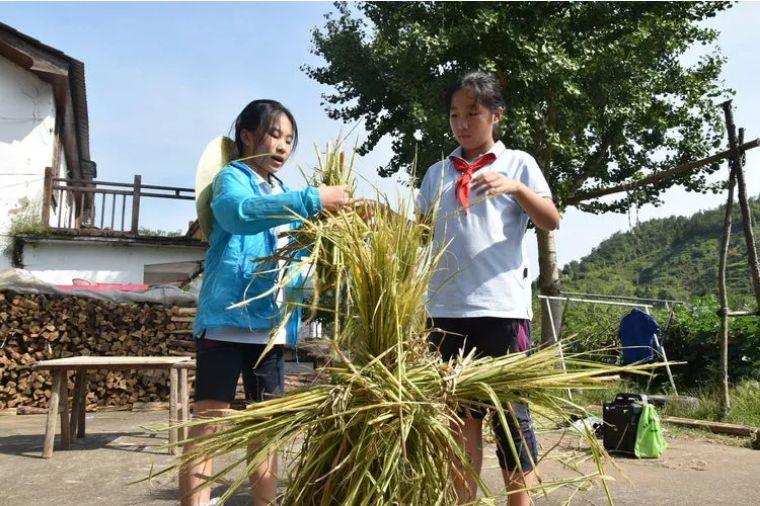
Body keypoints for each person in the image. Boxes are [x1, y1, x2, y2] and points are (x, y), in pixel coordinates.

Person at [179, 99, 353, 506]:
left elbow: (301, 245)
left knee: (266, 428)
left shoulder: (284, 192)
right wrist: (312, 200)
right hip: (225, 322)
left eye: (289, 140)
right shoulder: (231, 180)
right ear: (247, 135)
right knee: (210, 423)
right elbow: (239, 214)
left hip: (271, 328)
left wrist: (336, 222)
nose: (282, 146)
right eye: (275, 135)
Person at [416, 71, 560, 505]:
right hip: (445, 311)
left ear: (497, 115)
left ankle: (521, 501)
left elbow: (551, 220)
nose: (462, 123)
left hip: (501, 310)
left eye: (473, 114)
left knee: (511, 418)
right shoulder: (437, 173)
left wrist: (515, 189)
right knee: (460, 420)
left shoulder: (518, 164)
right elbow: (423, 234)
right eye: (455, 114)